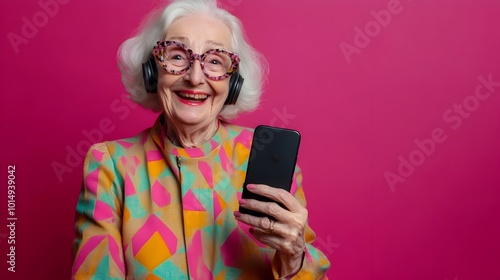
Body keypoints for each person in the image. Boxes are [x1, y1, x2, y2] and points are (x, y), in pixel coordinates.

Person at [71, 0, 330, 279]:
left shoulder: (264, 156)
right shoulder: (112, 165)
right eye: (177, 56)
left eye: (215, 60)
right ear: (151, 71)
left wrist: (294, 259)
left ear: (233, 82)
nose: (195, 78)